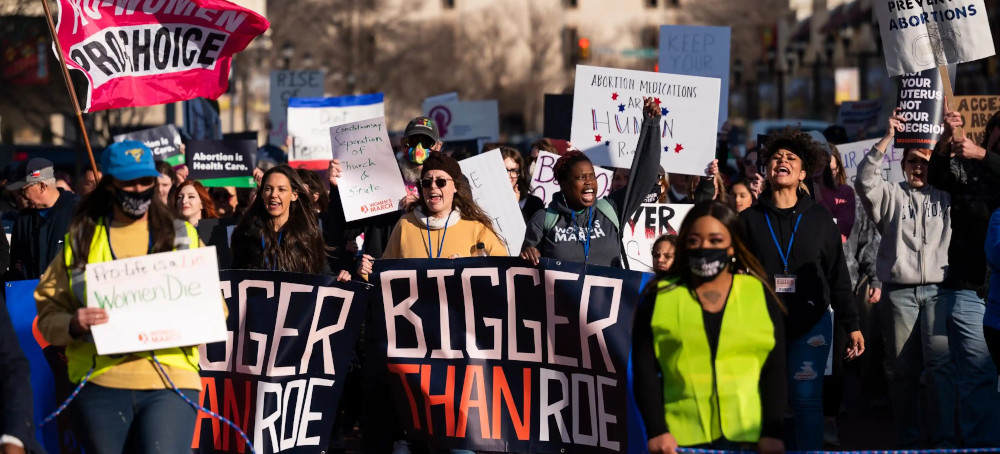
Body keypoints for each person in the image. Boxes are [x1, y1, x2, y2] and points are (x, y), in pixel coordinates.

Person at [34, 140, 206, 453]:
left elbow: (213, 309)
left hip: (169, 382)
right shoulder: (83, 237)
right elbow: (47, 314)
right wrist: (73, 323)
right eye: (129, 182)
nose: (139, 189)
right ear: (110, 185)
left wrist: (197, 320)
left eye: (146, 181)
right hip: (100, 383)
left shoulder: (182, 235)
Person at [739, 128, 863, 451]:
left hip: (812, 324)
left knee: (807, 402)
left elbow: (838, 275)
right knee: (769, 400)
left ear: (803, 173)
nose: (782, 161)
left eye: (790, 158)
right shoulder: (748, 219)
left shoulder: (820, 218)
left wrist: (853, 325)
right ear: (766, 170)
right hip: (762, 324)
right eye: (776, 157)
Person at [633, 201, 786, 454]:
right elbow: (644, 368)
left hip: (747, 437)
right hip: (681, 440)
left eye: (715, 240)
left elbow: (775, 369)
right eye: (694, 241)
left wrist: (772, 432)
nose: (704, 248)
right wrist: (656, 430)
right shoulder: (658, 296)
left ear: (733, 245)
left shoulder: (758, 294)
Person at [855, 109, 955, 447]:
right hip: (898, 293)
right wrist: (886, 138)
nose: (918, 167)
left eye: (925, 162)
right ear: (903, 163)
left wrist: (948, 138)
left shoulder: (946, 194)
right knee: (901, 371)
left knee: (941, 369)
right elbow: (865, 181)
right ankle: (909, 438)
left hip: (940, 292)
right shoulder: (891, 194)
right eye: (912, 161)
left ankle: (943, 437)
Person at [520, 98, 678, 268]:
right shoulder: (544, 219)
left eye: (592, 176)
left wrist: (651, 126)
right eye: (581, 178)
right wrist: (529, 254)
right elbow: (527, 274)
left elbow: (645, 176)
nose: (589, 183)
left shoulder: (611, 210)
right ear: (563, 183)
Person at [929, 105, 1000, 447]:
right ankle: (982, 445)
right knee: (977, 376)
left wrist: (984, 154)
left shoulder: (984, 158)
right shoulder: (970, 168)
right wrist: (946, 141)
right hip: (970, 290)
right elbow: (937, 176)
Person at [356, 153, 506, 277]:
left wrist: (469, 269)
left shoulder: (476, 227)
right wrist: (368, 271)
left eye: (441, 182)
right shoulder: (405, 223)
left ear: (455, 187)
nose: (433, 186)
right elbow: (385, 274)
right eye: (427, 183)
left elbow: (504, 271)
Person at [230, 165, 330, 274]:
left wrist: (341, 280)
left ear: (294, 195)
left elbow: (324, 276)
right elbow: (235, 277)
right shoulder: (247, 233)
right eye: (268, 189)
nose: (273, 194)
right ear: (262, 193)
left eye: (281, 189)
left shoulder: (308, 234)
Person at [6, 158, 80, 280]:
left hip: (67, 295)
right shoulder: (23, 220)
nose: (20, 196)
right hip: (30, 296)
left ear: (41, 186)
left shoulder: (78, 211)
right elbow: (15, 265)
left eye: (23, 190)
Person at [500, 146, 544, 223]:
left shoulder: (534, 203)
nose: (508, 175)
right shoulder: (483, 200)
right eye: (504, 170)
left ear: (520, 174)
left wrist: (515, 207)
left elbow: (530, 233)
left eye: (513, 171)